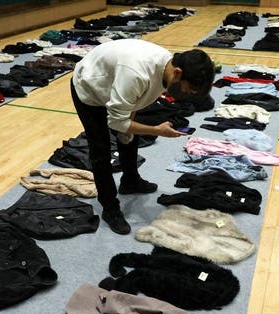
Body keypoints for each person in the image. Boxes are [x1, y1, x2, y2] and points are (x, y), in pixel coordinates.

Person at [70, 39, 215, 235]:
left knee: (131, 134)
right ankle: (110, 208)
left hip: (115, 83)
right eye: (188, 89)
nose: (186, 93)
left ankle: (130, 181)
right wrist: (157, 130)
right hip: (89, 87)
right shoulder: (137, 73)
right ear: (178, 73)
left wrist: (129, 130)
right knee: (101, 149)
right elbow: (115, 122)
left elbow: (133, 104)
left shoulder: (166, 68)